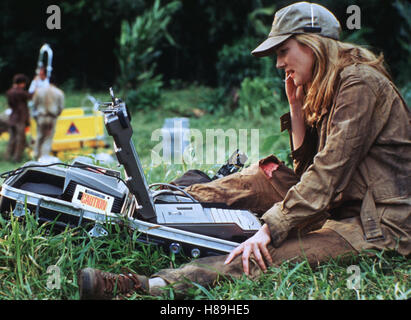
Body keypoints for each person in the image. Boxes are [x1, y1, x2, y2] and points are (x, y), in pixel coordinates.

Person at [77, 2, 411, 299]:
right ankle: (164, 200)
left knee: (267, 253)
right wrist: (295, 109)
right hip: (337, 200)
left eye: (284, 51)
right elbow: (307, 169)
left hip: (376, 224)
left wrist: (269, 230)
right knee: (258, 175)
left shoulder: (360, 85)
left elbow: (326, 176)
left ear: (313, 45)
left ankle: (149, 286)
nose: (279, 63)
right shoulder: (328, 85)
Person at [5, 74, 32, 162]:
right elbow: (30, 96)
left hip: (12, 117)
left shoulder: (9, 92)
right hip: (20, 119)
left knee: (12, 139)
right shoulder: (20, 92)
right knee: (20, 140)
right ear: (22, 83)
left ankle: (7, 157)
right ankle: (17, 158)